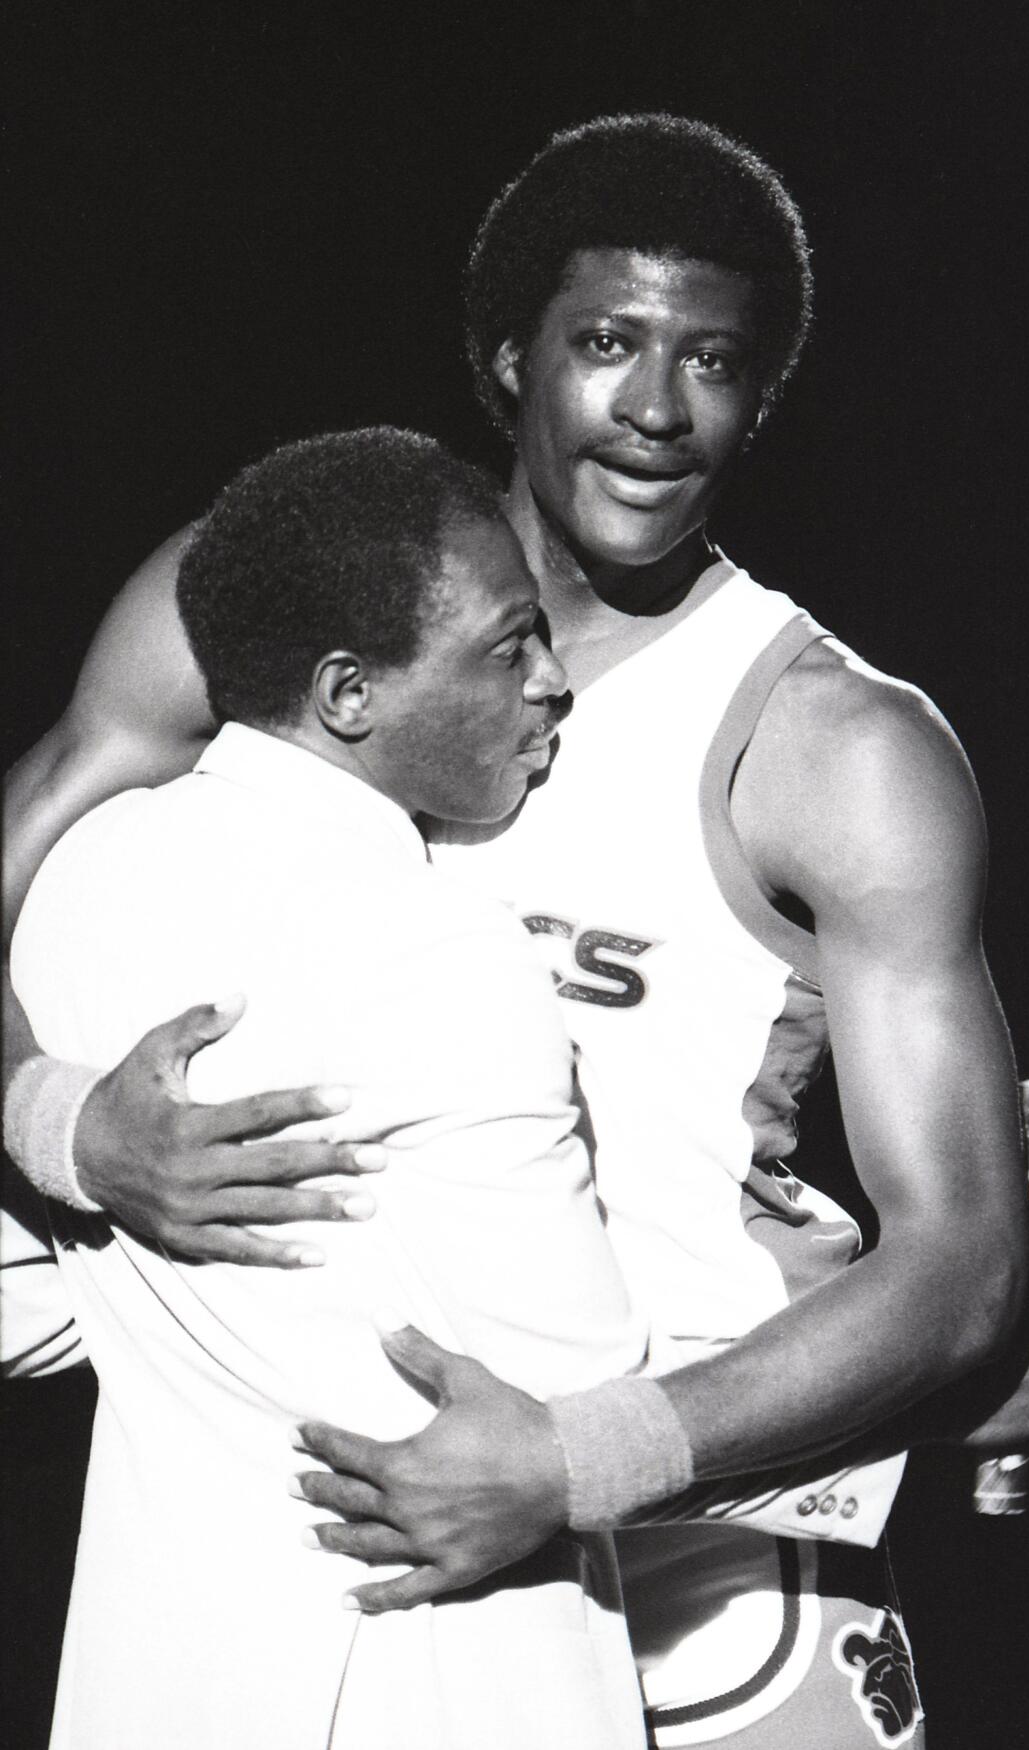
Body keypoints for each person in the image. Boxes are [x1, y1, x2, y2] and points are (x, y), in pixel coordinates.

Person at [3, 117, 1029, 1747]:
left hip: (718, 1597)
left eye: (713, 361)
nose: (657, 410)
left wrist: (572, 1463)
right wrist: (64, 1119)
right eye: (606, 343)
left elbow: (962, 1273)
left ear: (762, 393)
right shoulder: (274, 600)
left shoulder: (833, 744)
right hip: (345, 1576)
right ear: (506, 357)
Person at [3, 427, 657, 1750]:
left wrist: (63, 1133)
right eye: (505, 646)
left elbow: (24, 1316)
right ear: (349, 691)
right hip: (449, 1685)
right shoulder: (439, 946)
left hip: (162, 1682)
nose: (552, 685)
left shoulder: (74, 883)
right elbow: (577, 1394)